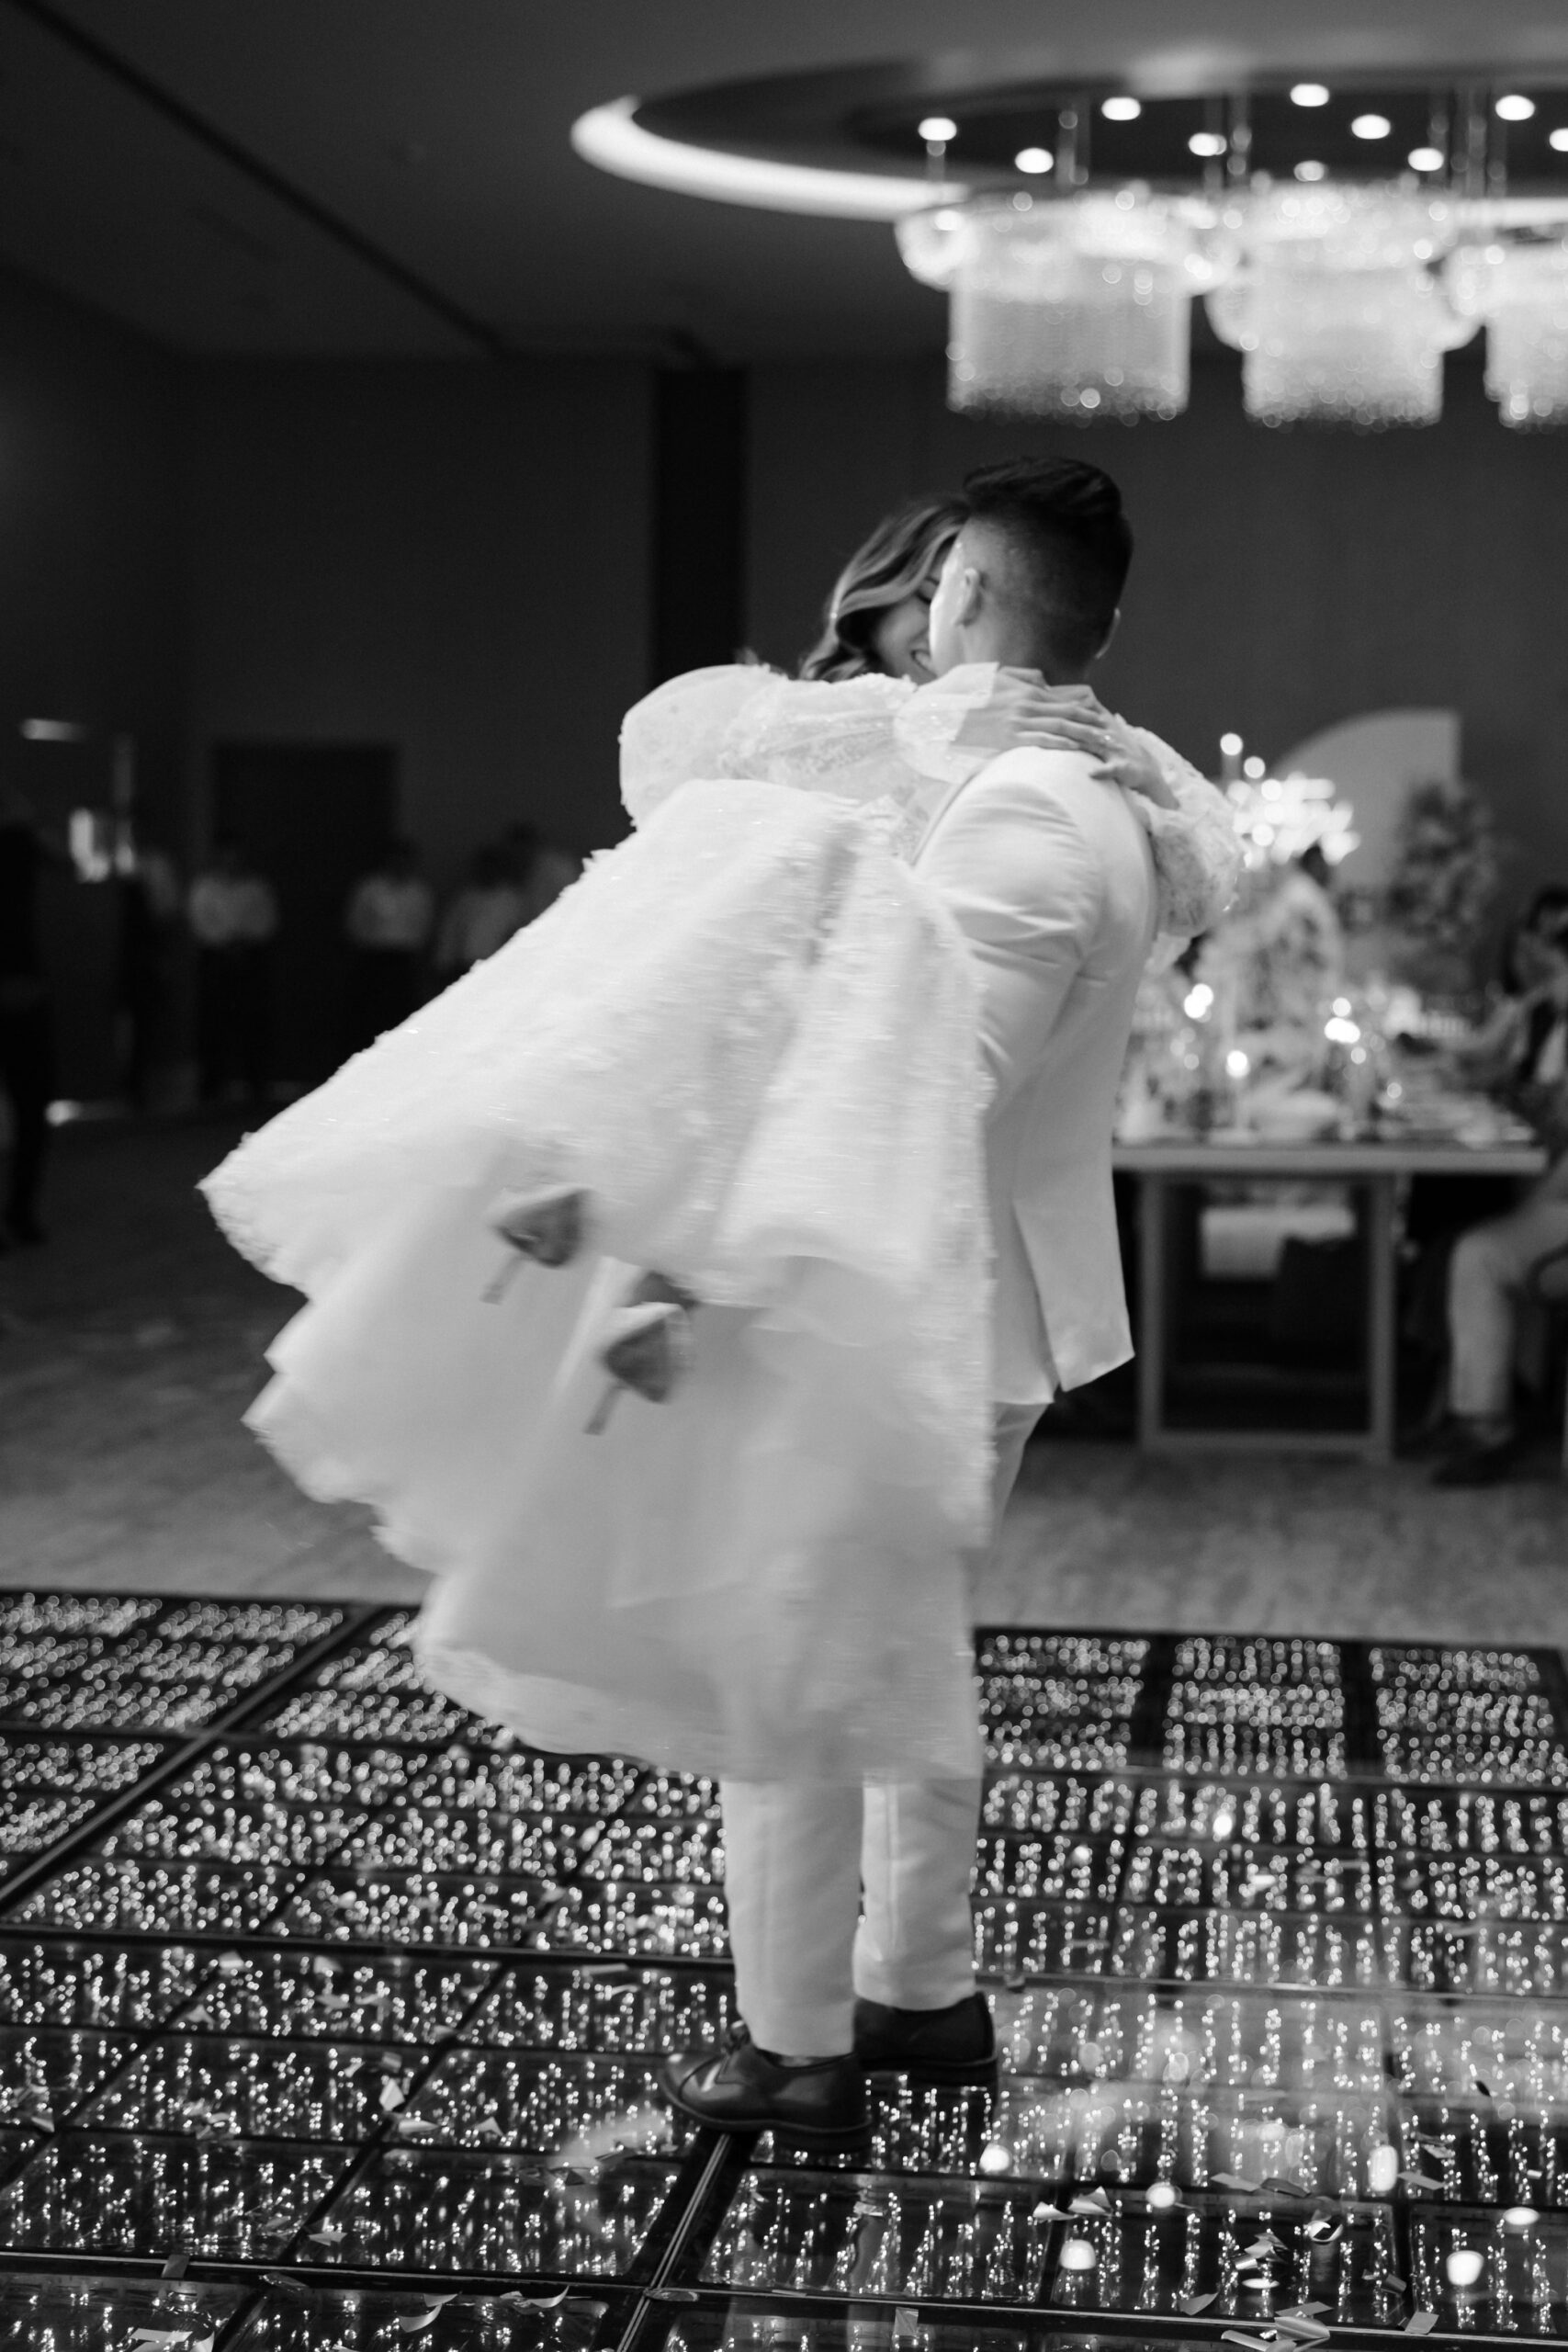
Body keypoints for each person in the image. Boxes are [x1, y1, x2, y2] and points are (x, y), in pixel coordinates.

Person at [201, 467, 1236, 2139]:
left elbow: (915, 1091)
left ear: (965, 589)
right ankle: (920, 1993)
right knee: (899, 1660)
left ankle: (795, 2044)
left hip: (890, 1311)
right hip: (971, 1308)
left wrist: (690, 1260)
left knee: (792, 1670)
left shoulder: (1031, 815)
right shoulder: (1096, 794)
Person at [1430, 889, 1568, 1485]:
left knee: (1477, 1253)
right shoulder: (1549, 1018)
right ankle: (1474, 1388)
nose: (1542, 971)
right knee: (1455, 1224)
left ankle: (1486, 1427)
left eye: (1555, 963)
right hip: (1544, 1188)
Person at [0, 782, 62, 1245]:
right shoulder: (22, 841)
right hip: (21, 988)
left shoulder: (21, 842)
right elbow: (68, 862)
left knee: (31, 1106)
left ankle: (20, 1210)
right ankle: (20, 1211)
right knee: (31, 1107)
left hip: (23, 989)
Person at [188, 837, 278, 1105]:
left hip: (250, 959)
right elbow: (199, 921)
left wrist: (244, 941)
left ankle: (256, 1083)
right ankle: (211, 1086)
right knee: (214, 1021)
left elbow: (267, 921)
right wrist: (224, 942)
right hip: (216, 960)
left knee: (252, 1021)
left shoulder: (257, 888)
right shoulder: (205, 887)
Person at [344, 838, 434, 1052]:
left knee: (402, 1015)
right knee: (369, 1015)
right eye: (396, 859)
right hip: (373, 958)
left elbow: (424, 926)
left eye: (405, 859)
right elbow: (355, 923)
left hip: (405, 960)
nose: (400, 864)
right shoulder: (369, 888)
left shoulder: (419, 892)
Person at [433, 844, 526, 979]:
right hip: (463, 966)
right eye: (485, 867)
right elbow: (450, 932)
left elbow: (517, 933)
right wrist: (443, 962)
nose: (489, 872)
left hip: (494, 967)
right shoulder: (466, 898)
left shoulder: (511, 900)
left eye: (493, 868)